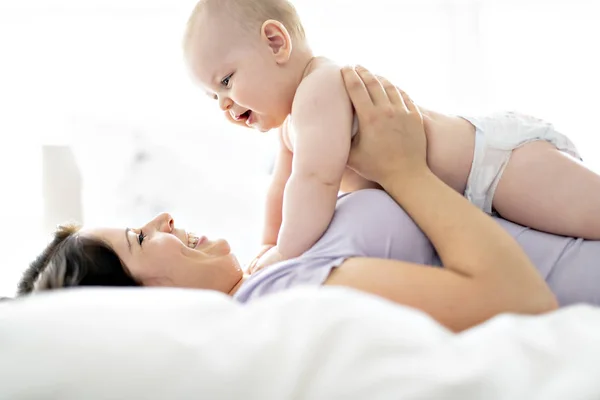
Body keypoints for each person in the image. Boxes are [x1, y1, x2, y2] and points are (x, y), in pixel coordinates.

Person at [17, 68, 575, 333]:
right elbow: (522, 303)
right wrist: (404, 172)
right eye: (140, 238)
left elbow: (285, 202)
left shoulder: (264, 268)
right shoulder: (281, 295)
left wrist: (294, 126)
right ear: (145, 303)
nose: (162, 217)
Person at [182, 0, 600, 274]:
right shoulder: (293, 124)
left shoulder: (319, 88)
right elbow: (283, 188)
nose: (223, 103)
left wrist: (283, 254)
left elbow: (314, 183)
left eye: (226, 80)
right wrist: (266, 244)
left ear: (276, 43)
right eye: (211, 96)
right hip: (473, 197)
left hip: (497, 163)